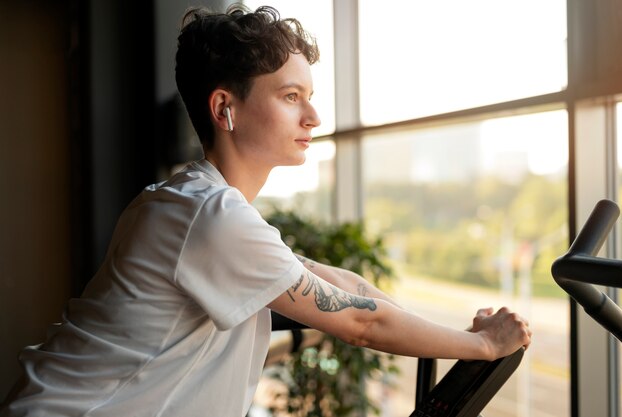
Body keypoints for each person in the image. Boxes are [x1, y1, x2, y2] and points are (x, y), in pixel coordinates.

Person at [1, 4, 531, 417]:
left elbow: (353, 291)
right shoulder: (208, 216)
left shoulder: (202, 205)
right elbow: (359, 323)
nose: (315, 116)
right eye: (291, 96)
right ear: (224, 108)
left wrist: (459, 334)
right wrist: (484, 344)